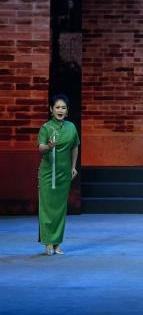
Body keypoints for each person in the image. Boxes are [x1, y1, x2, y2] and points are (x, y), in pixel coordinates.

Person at [38, 94, 80, 256]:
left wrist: (73, 166)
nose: (60, 110)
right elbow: (40, 148)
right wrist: (49, 147)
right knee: (48, 208)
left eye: (63, 107)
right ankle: (48, 242)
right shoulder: (46, 128)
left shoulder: (71, 127)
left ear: (67, 110)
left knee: (60, 209)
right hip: (48, 173)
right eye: (57, 107)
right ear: (51, 109)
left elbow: (75, 146)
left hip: (64, 173)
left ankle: (57, 243)